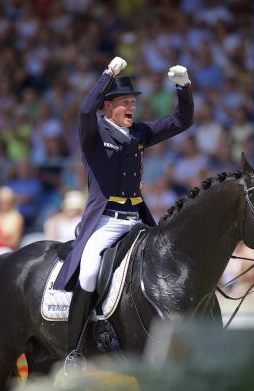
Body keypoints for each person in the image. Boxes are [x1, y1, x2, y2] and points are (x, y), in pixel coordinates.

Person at [54, 56, 193, 365]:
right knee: (89, 272)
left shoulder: (139, 134)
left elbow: (181, 121)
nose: (132, 107)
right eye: (125, 102)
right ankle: (73, 351)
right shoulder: (94, 135)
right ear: (108, 107)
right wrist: (107, 74)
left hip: (136, 221)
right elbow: (84, 110)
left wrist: (183, 87)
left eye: (133, 102)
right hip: (105, 222)